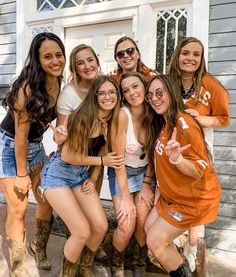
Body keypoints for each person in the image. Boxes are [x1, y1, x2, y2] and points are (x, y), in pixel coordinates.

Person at [40, 75, 124, 277]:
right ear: (94, 96)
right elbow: (68, 155)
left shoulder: (112, 119)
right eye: (101, 93)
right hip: (57, 175)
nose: (107, 97)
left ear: (118, 95)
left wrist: (94, 176)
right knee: (81, 231)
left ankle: (84, 266)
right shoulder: (82, 117)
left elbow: (102, 148)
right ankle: (67, 273)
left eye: (112, 92)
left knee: (101, 226)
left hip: (80, 175)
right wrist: (102, 163)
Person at [0, 32, 66, 276]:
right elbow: (20, 137)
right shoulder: (26, 89)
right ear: (38, 60)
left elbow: (61, 125)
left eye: (59, 55)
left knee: (46, 199)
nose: (55, 60)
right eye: (47, 56)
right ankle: (17, 265)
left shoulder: (59, 83)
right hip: (10, 147)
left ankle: (39, 248)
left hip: (36, 146)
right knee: (17, 209)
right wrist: (21, 174)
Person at [144, 74, 222, 277]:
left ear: (171, 92)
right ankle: (179, 262)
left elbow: (198, 170)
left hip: (192, 201)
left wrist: (178, 159)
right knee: (148, 228)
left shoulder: (184, 125)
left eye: (159, 92)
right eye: (150, 95)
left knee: (155, 241)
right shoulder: (162, 121)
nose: (154, 98)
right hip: (172, 197)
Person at [167, 37, 230, 271]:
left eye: (196, 54)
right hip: (171, 149)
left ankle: (192, 246)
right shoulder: (169, 82)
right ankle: (173, 241)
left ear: (201, 58)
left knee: (194, 198)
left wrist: (201, 119)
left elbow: (224, 119)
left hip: (199, 151)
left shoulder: (210, 84)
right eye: (186, 53)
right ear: (177, 55)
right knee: (172, 193)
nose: (190, 58)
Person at [107, 72, 155, 277]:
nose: (131, 93)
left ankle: (139, 260)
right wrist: (126, 197)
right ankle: (116, 259)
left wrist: (146, 183)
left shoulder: (154, 112)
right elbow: (117, 161)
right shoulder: (122, 115)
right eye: (125, 90)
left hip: (145, 172)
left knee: (143, 222)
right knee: (127, 225)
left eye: (135, 87)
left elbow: (154, 154)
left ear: (145, 87)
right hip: (122, 172)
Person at [56, 44, 105, 193]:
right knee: (79, 200)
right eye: (80, 63)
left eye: (90, 60)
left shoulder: (105, 86)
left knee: (93, 194)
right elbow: (59, 138)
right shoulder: (69, 94)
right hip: (76, 154)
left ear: (97, 61)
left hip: (99, 150)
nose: (87, 66)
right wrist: (59, 136)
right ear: (75, 69)